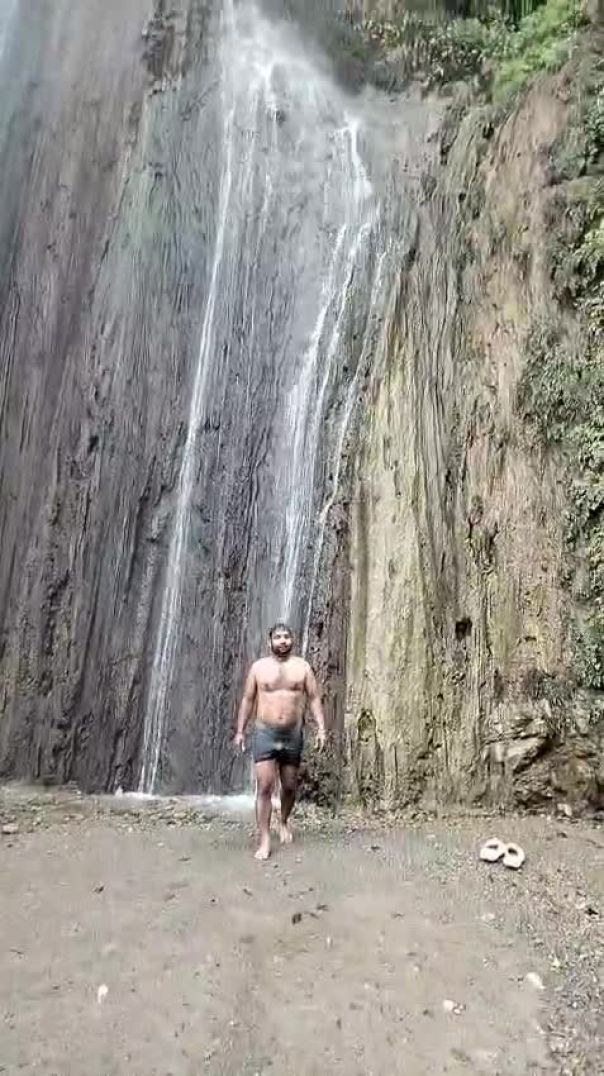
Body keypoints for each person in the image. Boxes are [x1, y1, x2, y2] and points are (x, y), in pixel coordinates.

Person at [234, 622, 326, 860]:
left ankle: (283, 820)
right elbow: (248, 699)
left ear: (292, 640)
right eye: (278, 637)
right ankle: (264, 838)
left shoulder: (303, 667)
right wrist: (240, 731)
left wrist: (321, 729)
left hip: (292, 734)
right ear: (270, 642)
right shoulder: (258, 668)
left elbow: (314, 698)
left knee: (290, 786)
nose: (283, 640)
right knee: (265, 786)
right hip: (265, 733)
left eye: (286, 636)